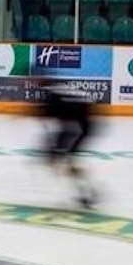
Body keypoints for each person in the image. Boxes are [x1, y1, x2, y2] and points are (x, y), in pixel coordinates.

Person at [37, 79, 101, 210]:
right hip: (80, 126)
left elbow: (53, 115)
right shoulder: (58, 90)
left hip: (79, 127)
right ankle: (87, 193)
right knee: (66, 163)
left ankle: (88, 194)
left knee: (67, 163)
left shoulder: (54, 96)